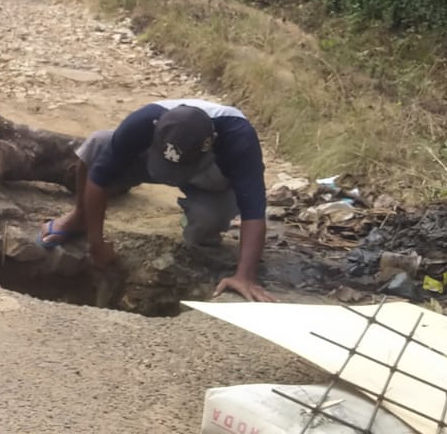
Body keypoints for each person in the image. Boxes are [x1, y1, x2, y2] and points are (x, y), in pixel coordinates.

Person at [37, 99, 277, 302]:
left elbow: (253, 209)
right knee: (99, 142)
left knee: (204, 228)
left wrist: (245, 275)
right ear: (155, 128)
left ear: (213, 140)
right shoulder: (144, 121)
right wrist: (95, 242)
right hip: (152, 160)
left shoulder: (239, 138)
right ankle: (79, 217)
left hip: (211, 175)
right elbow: (98, 176)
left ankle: (198, 219)